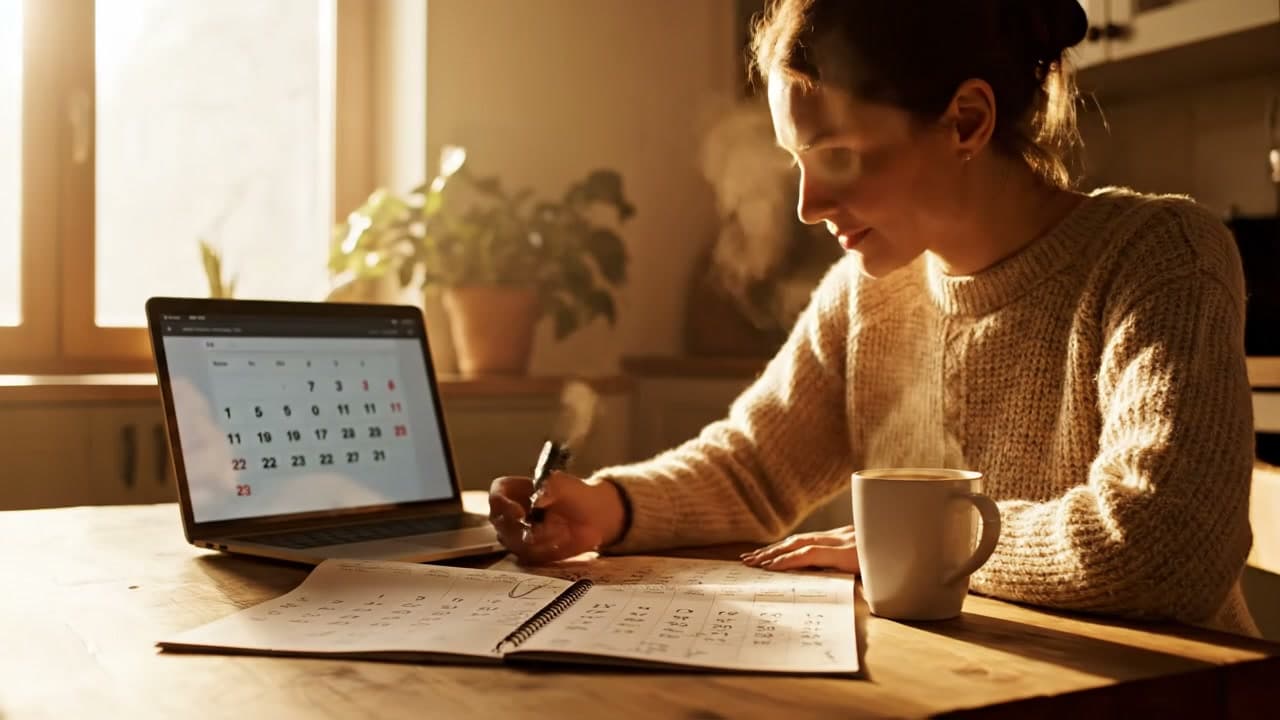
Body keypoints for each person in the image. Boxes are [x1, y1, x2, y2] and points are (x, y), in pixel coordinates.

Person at [488, 0, 1258, 635]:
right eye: (797, 162)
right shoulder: (869, 293)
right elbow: (752, 470)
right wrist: (606, 507)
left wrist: (916, 546)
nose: (807, 206)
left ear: (965, 121)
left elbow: (1169, 544)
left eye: (837, 157)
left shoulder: (1161, 255)